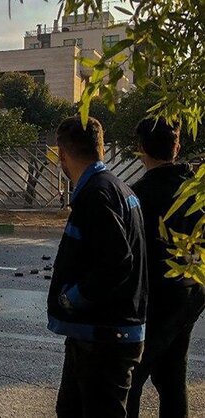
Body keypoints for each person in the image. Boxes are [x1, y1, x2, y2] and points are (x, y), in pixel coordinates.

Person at [48, 116, 147, 417]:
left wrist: (71, 298)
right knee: (69, 410)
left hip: (104, 337)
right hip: (97, 335)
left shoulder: (97, 195)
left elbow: (118, 263)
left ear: (62, 155)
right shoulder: (119, 189)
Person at [126, 117, 205, 418]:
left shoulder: (137, 196)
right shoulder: (196, 190)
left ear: (141, 148)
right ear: (178, 146)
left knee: (131, 380)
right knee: (172, 378)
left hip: (155, 300)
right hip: (191, 294)